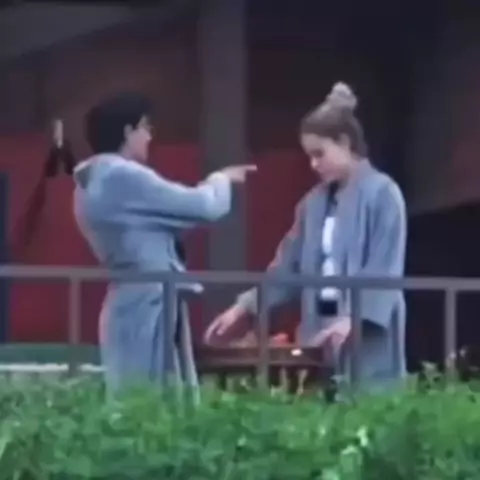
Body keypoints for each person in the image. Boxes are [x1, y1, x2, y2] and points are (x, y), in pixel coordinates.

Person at [205, 82, 407, 392]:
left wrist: (354, 318)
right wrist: (243, 307)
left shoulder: (384, 194)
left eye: (319, 154)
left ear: (344, 142)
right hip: (319, 326)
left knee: (369, 403)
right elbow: (287, 269)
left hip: (366, 334)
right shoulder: (311, 204)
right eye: (309, 156)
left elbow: (384, 267)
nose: (314, 164)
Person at [72, 92, 255, 395]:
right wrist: (220, 179)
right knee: (147, 397)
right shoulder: (122, 176)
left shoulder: (92, 181)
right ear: (128, 131)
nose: (149, 136)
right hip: (146, 301)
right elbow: (205, 207)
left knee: (140, 395)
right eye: (146, 127)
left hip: (135, 298)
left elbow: (167, 218)